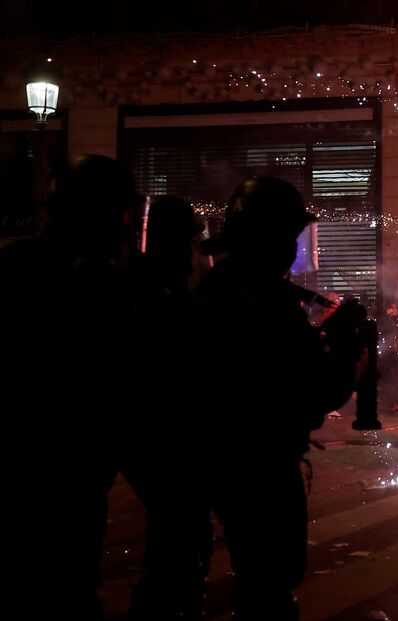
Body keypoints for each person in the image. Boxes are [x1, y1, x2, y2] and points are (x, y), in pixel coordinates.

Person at [195, 177, 358, 620]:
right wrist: (344, 350)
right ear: (266, 238)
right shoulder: (262, 303)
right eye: (287, 235)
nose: (292, 247)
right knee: (269, 582)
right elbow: (311, 391)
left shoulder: (220, 292)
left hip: (227, 459)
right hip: (258, 463)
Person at [1, 155, 142, 619]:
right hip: (53, 480)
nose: (127, 230)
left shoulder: (21, 269)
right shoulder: (97, 287)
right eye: (122, 216)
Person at [126, 195, 213, 619]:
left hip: (172, 447)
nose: (194, 255)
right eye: (189, 244)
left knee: (177, 536)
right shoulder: (145, 300)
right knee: (177, 536)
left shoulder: (169, 298)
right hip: (166, 444)